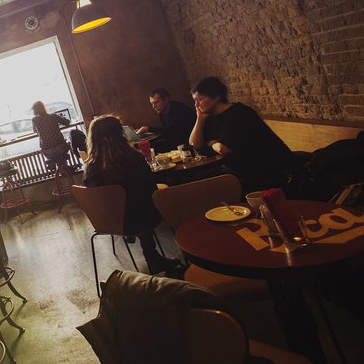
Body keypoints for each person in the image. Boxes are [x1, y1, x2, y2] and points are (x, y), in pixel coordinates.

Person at [82, 115, 182, 275]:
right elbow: (151, 190)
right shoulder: (134, 158)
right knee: (143, 202)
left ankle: (149, 253)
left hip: (108, 221)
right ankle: (152, 255)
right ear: (120, 134)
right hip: (141, 219)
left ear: (93, 138)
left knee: (132, 204)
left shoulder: (90, 167)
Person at [189, 77, 294, 192]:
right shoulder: (210, 117)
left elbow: (223, 149)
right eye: (194, 100)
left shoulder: (238, 112)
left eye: (200, 99)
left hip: (268, 168)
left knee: (206, 184)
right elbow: (194, 144)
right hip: (243, 168)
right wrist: (199, 119)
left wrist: (212, 143)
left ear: (217, 96)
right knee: (199, 181)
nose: (196, 105)